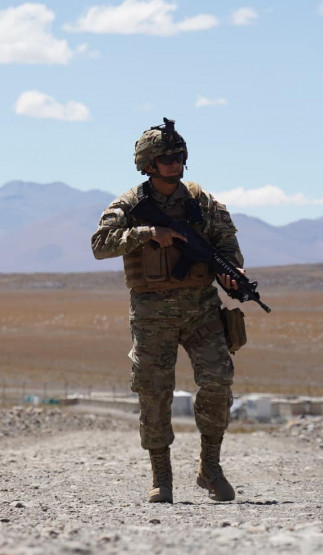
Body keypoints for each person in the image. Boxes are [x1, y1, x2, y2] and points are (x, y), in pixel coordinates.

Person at [91, 118, 245, 504]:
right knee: (153, 391)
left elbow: (228, 248)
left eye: (179, 156)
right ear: (148, 164)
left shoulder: (202, 202)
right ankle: (162, 476)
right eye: (165, 158)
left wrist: (233, 274)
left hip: (202, 309)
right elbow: (100, 244)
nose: (174, 163)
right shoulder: (130, 203)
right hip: (151, 312)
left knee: (218, 380)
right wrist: (146, 234)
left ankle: (210, 467)